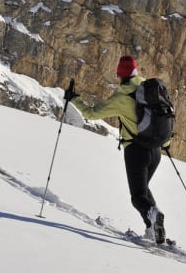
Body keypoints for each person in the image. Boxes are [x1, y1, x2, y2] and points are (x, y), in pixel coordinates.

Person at [67, 55, 167, 244]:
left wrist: (74, 99)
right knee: (144, 190)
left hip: (136, 152)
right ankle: (152, 229)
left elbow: (91, 113)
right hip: (155, 151)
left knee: (137, 197)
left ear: (120, 76)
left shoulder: (122, 97)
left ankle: (154, 215)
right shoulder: (150, 89)